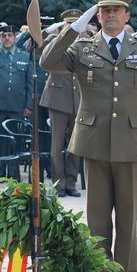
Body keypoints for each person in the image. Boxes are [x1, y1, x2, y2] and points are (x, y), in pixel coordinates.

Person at [40, 0, 137, 272]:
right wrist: (74, 28)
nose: (110, 14)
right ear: (98, 14)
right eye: (104, 10)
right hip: (94, 140)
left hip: (131, 139)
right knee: (96, 214)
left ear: (127, 15)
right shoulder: (82, 48)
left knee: (127, 213)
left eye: (116, 10)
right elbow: (48, 60)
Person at [39, 10, 83, 197]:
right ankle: (58, 183)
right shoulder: (52, 42)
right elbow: (30, 44)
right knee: (56, 145)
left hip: (79, 99)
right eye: (68, 25)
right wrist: (49, 30)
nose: (72, 29)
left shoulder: (84, 44)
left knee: (75, 144)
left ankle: (71, 182)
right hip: (57, 99)